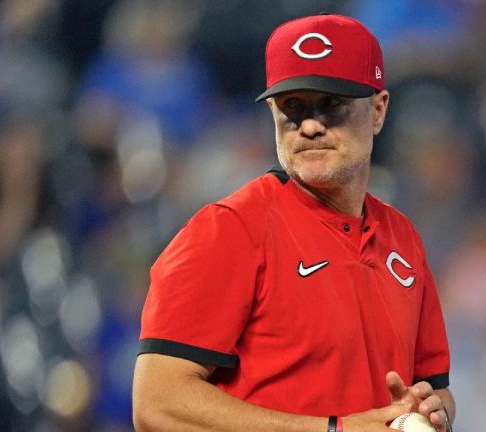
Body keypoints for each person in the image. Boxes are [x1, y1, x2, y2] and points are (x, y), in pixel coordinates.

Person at [132, 13, 455, 432]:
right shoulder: (228, 230)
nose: (310, 126)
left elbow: (435, 387)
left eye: (332, 104)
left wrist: (435, 411)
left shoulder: (403, 238)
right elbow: (158, 404)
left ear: (378, 110)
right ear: (272, 112)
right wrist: (333, 430)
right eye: (292, 108)